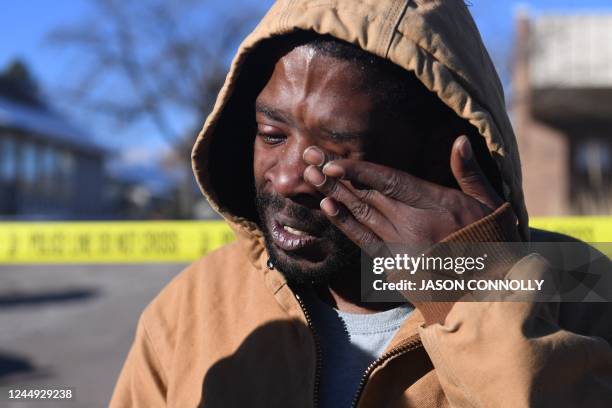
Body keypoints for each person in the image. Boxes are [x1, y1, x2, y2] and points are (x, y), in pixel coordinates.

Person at [111, 0, 612, 407]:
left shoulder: (585, 288)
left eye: (332, 151)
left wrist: (477, 294)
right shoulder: (191, 308)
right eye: (271, 134)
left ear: (445, 158)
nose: (287, 179)